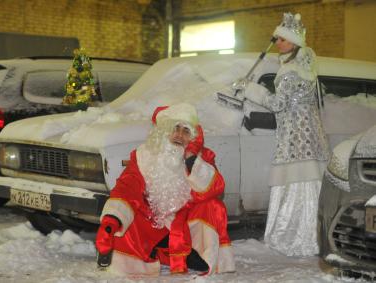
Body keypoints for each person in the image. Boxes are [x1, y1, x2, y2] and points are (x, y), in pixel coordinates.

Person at [95, 103, 236, 275]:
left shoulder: (203, 157)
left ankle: (200, 253)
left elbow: (216, 188)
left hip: (185, 224)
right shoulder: (144, 156)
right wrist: (112, 219)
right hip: (153, 223)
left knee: (213, 206)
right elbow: (127, 186)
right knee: (127, 214)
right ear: (163, 132)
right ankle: (164, 254)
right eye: (175, 128)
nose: (179, 135)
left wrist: (192, 161)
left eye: (186, 131)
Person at [238, 12, 330, 257]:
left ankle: (294, 238)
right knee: (307, 180)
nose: (277, 42)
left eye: (282, 39)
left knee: (295, 180)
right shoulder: (305, 66)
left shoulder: (290, 71)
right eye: (277, 38)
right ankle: (312, 236)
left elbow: (278, 104)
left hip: (296, 136)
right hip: (310, 133)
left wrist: (252, 90)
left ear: (293, 43)